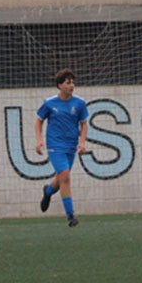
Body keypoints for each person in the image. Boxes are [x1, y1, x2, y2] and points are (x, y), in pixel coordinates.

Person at [36, 69, 89, 226]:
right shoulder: (49, 103)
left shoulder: (79, 103)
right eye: (68, 82)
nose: (71, 85)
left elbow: (84, 123)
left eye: (72, 82)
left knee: (61, 179)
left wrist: (82, 142)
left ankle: (48, 191)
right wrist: (39, 140)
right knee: (65, 176)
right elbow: (39, 121)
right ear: (60, 85)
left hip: (71, 146)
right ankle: (70, 216)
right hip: (55, 145)